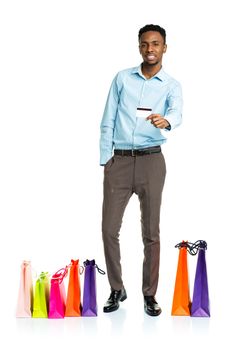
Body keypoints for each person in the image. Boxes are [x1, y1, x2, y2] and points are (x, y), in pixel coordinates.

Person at [99, 24, 182, 316]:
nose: (150, 49)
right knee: (109, 229)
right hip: (119, 162)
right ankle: (117, 289)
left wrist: (166, 121)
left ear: (164, 48)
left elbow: (177, 112)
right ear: (139, 47)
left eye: (156, 44)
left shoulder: (170, 85)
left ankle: (150, 294)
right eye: (145, 44)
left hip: (151, 161)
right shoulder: (122, 79)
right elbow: (108, 119)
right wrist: (105, 160)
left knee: (151, 232)